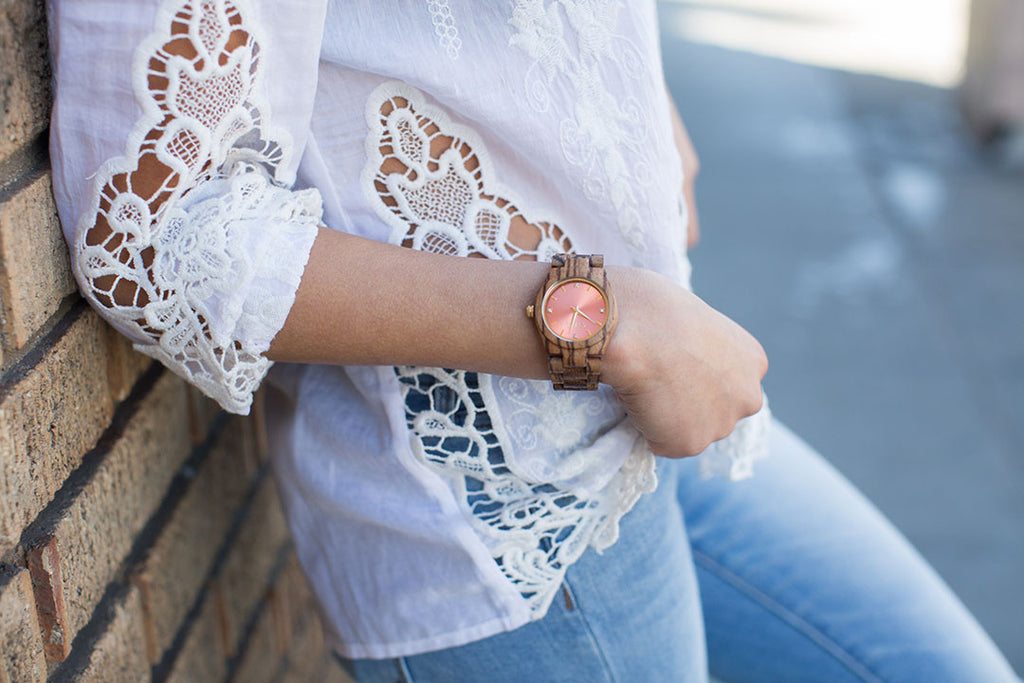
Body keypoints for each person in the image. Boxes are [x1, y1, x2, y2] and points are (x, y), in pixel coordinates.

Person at [46, 1, 1018, 680]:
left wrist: (631, 94)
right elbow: (162, 236)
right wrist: (602, 322)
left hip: (648, 412)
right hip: (502, 508)